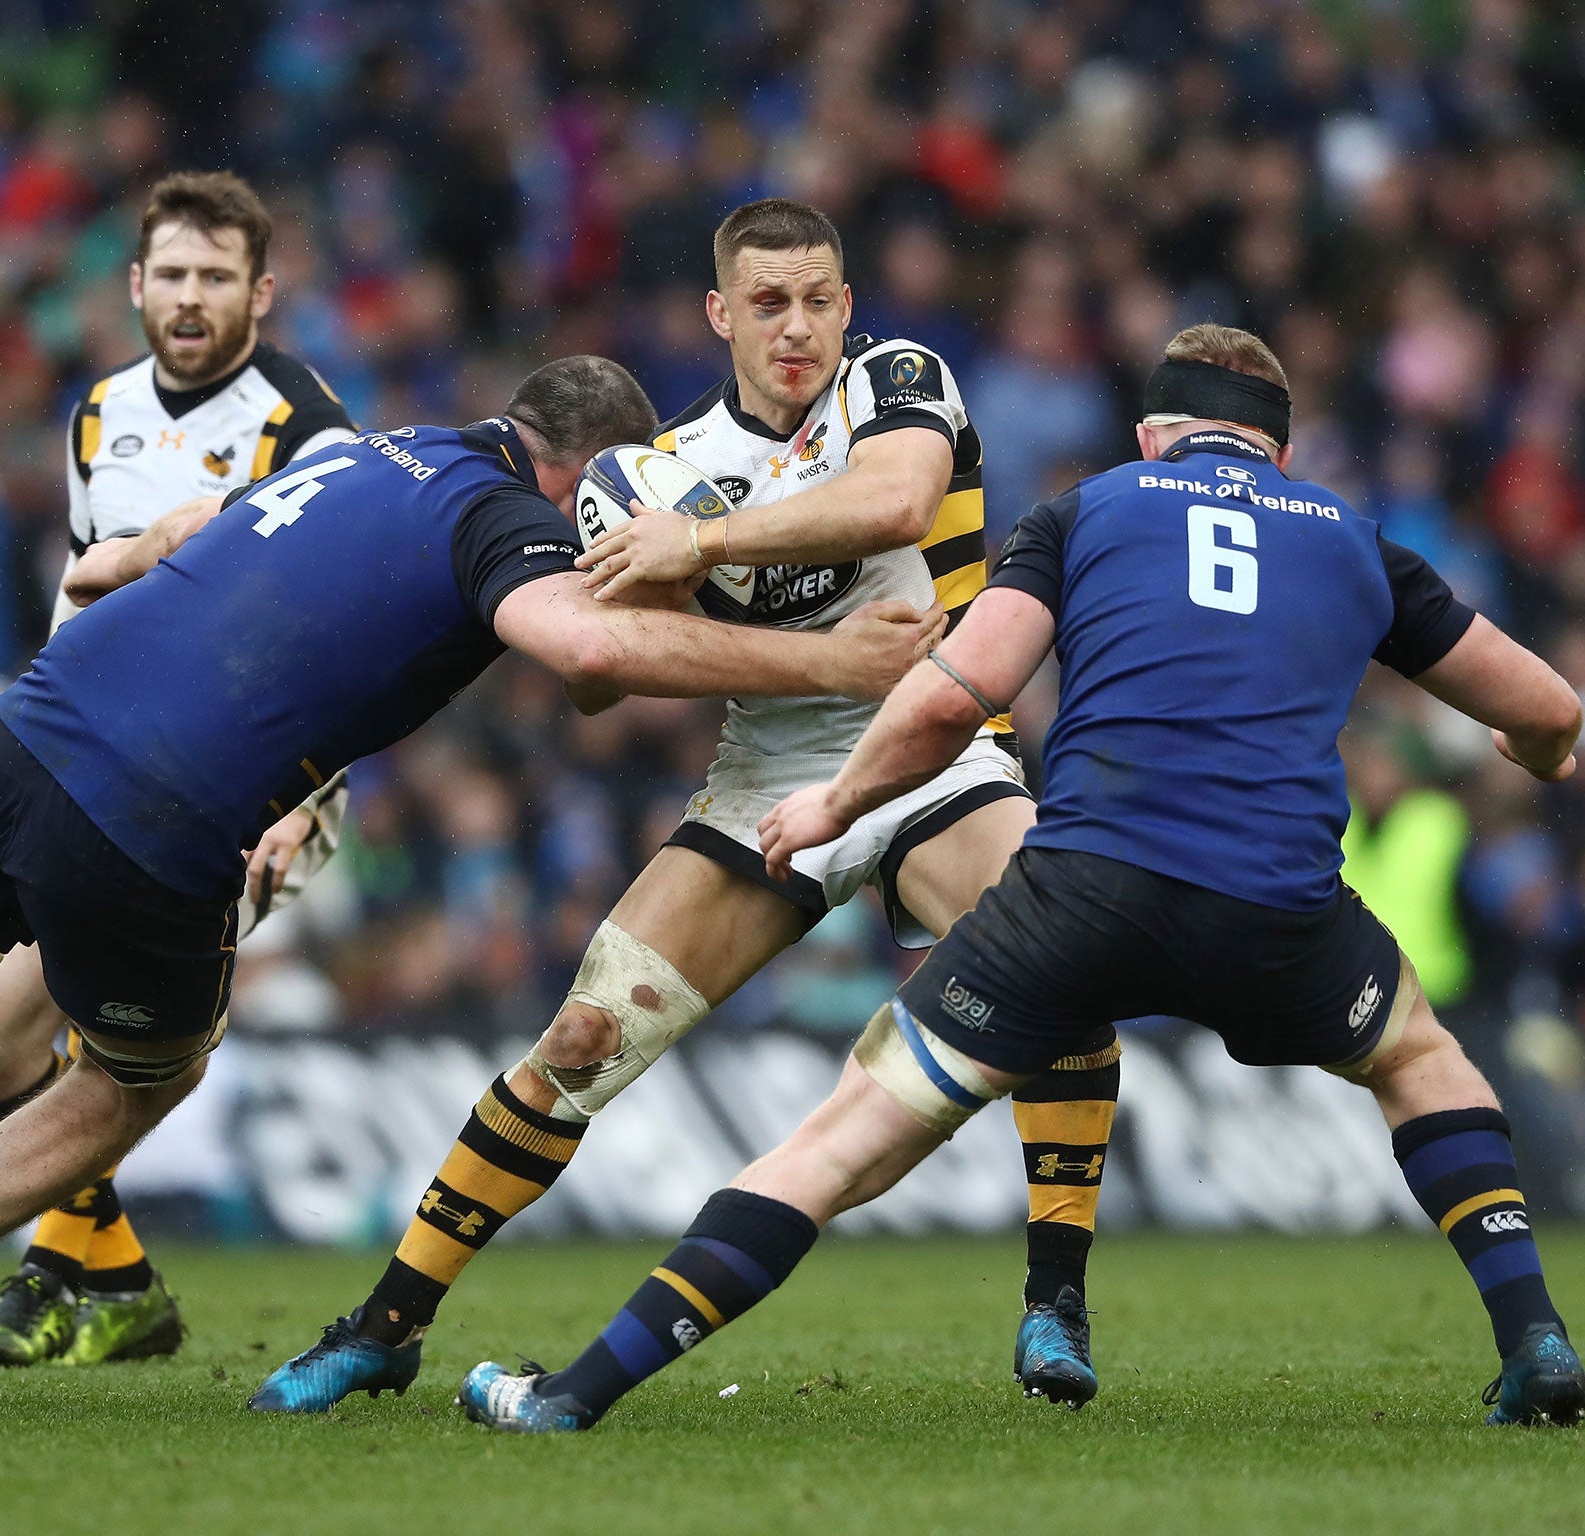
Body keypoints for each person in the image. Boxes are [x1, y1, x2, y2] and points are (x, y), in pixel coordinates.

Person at [0, 355, 942, 1406]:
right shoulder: (507, 522)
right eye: (619, 514)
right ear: (590, 477)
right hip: (158, 812)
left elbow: (172, 555)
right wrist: (832, 662)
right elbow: (585, 653)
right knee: (133, 1081)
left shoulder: (363, 448)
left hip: (34, 721)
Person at [456, 325, 1585, 1434]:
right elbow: (1547, 711)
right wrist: (1528, 755)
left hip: (1084, 895)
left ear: (1153, 437)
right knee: (1420, 1058)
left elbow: (956, 694)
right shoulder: (1351, 539)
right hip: (1276, 908)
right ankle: (1533, 1341)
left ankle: (570, 1395)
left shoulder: (1090, 507)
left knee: (839, 1143)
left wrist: (833, 803)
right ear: (1278, 454)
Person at [250, 198, 1121, 1416]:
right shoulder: (638, 477)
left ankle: (1053, 1301)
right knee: (578, 1043)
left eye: (818, 299)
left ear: (848, 307)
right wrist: (651, 604)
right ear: (718, 314)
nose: (797, 327)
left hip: (934, 743)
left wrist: (700, 549)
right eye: (767, 304)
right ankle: (388, 1322)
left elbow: (895, 508)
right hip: (768, 771)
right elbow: (598, 678)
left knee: (1067, 952)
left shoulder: (896, 380)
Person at [0, 170, 359, 1371]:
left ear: (260, 293)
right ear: (132, 286)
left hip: (253, 785)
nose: (187, 298)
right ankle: (116, 1280)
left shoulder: (303, 425)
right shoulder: (98, 414)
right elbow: (86, 596)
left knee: (85, 1026)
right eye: (169, 274)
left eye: (214, 277)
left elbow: (335, 633)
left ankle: (47, 1275)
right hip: (98, 767)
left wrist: (305, 802)